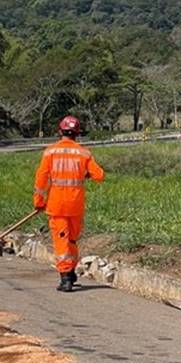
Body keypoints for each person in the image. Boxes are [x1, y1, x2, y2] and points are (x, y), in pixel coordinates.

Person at [33, 116, 105, 292]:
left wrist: (39, 201)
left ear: (60, 131)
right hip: (75, 204)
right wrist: (85, 173)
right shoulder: (84, 153)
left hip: (57, 204)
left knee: (62, 242)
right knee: (71, 240)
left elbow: (42, 179)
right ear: (77, 133)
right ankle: (71, 271)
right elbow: (100, 175)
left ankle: (65, 278)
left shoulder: (50, 152)